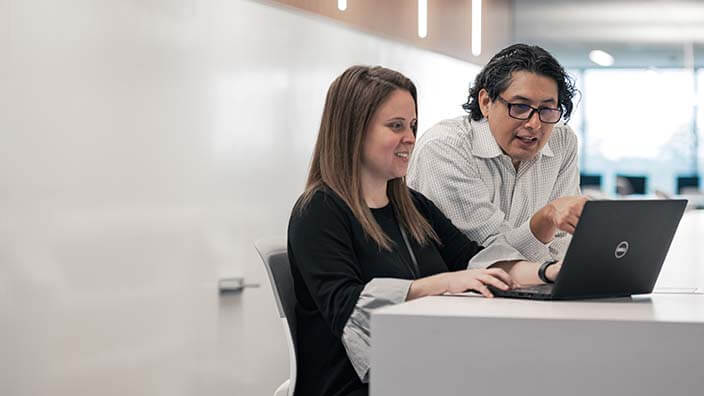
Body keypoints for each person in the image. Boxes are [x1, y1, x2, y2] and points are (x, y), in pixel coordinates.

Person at [287, 65, 556, 396]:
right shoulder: (318, 211)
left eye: (412, 125)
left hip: (423, 370)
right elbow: (348, 307)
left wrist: (550, 271)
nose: (411, 138)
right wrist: (443, 283)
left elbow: (478, 261)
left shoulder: (414, 206)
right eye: (396, 126)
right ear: (353, 130)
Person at [407, 43, 587, 264]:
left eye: (547, 110)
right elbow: (489, 254)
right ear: (485, 102)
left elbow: (563, 241)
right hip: (455, 292)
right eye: (520, 107)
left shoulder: (562, 142)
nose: (534, 124)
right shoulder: (444, 148)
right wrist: (546, 218)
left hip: (532, 288)